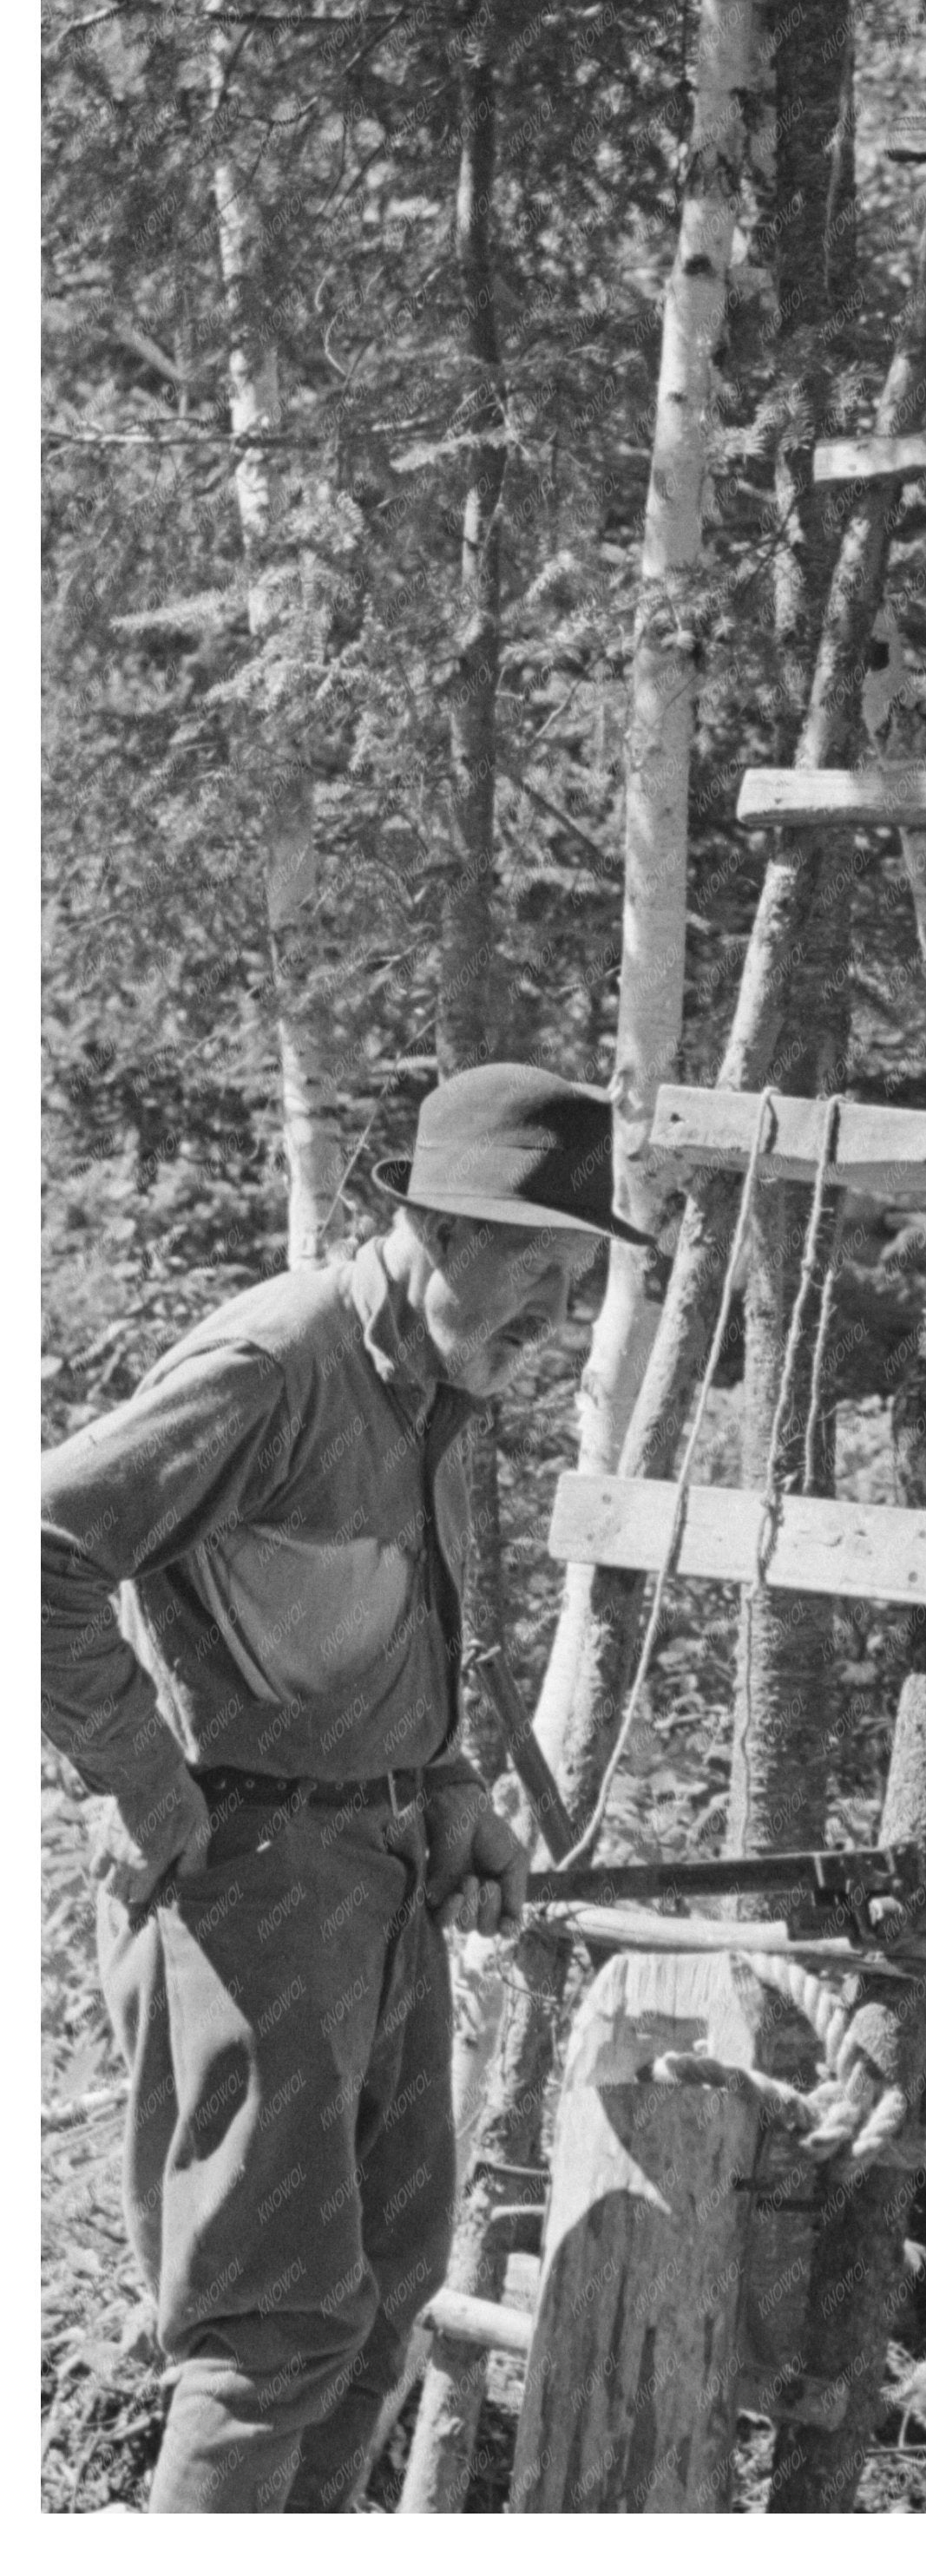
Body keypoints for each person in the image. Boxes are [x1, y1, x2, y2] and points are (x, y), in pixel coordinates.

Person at [41, 1062, 653, 2513]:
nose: (555, 1320)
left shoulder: (433, 1379)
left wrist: (444, 1785)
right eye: (539, 1273)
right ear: (441, 1230)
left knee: (382, 2299)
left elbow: (378, 1625)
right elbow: (40, 1550)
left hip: (379, 1883)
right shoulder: (277, 1364)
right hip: (248, 1887)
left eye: (577, 1285)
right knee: (272, 2333)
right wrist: (141, 1786)